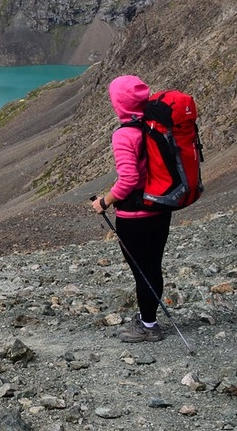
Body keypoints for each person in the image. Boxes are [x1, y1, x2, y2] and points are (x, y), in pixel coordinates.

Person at [91, 74, 172, 343]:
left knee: (141, 271)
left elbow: (128, 179)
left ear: (120, 104)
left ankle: (148, 326)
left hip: (134, 216)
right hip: (160, 209)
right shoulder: (156, 126)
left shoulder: (125, 134)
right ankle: (149, 318)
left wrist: (104, 201)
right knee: (153, 266)